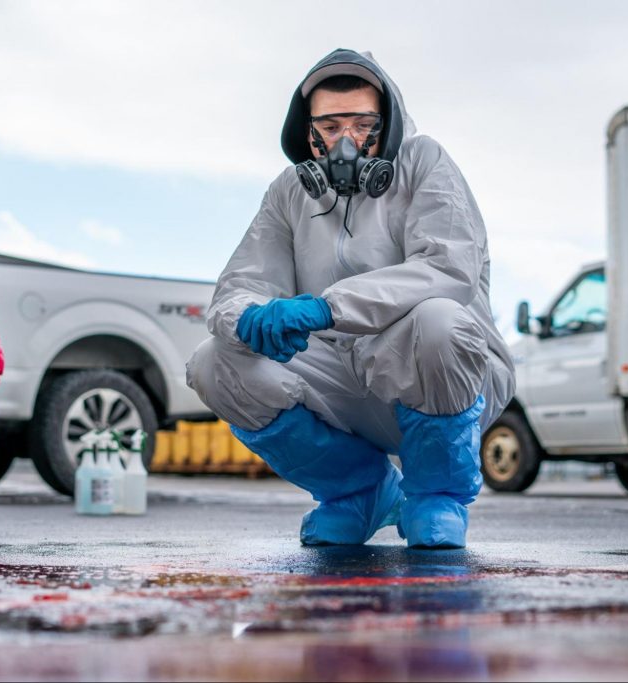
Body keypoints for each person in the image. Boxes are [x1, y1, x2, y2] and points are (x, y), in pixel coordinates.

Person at [186, 48, 515, 549]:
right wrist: (250, 318)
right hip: (345, 382)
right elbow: (239, 284)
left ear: (389, 125)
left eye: (363, 125)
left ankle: (436, 497)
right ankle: (359, 492)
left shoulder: (425, 162)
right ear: (308, 130)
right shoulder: (289, 192)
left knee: (438, 323)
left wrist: (328, 307)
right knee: (214, 362)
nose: (347, 141)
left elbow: (447, 268)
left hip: (440, 378)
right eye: (332, 125)